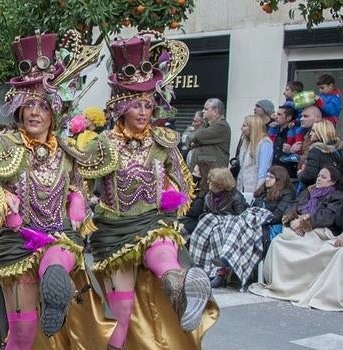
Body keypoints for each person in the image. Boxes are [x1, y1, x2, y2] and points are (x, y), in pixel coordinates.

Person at [0, 31, 114, 349]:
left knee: (59, 257)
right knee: (22, 334)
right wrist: (1, 199)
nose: (35, 111)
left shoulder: (64, 150)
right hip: (17, 246)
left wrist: (78, 198)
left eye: (43, 105)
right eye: (29, 105)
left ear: (54, 112)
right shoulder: (4, 145)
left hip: (57, 237)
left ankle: (55, 286)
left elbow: (77, 180)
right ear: (18, 110)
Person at [78, 32, 217, 350]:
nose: (142, 111)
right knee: (121, 314)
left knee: (165, 259)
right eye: (135, 104)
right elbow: (80, 185)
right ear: (121, 105)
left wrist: (173, 199)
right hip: (113, 234)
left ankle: (182, 289)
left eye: (147, 104)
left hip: (152, 225)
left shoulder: (163, 141)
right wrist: (80, 210)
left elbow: (183, 184)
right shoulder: (104, 144)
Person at [251, 167, 343, 311]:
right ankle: (288, 286)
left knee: (340, 254)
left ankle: (330, 297)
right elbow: (341, 222)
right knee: (284, 241)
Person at [188, 168, 266, 288]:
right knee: (203, 230)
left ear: (219, 184)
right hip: (214, 225)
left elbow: (242, 217)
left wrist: (222, 221)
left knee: (216, 233)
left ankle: (220, 274)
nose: (208, 182)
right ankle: (200, 269)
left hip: (233, 229)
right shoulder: (209, 196)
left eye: (211, 181)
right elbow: (205, 213)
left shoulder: (235, 196)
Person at [251, 166, 297, 248]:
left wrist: (258, 220)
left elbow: (278, 215)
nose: (267, 179)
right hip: (257, 221)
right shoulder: (264, 190)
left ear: (280, 179)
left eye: (271, 177)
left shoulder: (287, 193)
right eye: (267, 176)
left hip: (271, 226)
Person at [235, 115, 273, 195]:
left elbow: (263, 169)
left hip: (254, 187)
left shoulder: (264, 143)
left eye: (244, 126)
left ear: (253, 127)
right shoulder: (247, 142)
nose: (241, 128)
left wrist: (258, 190)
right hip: (242, 186)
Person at [298, 120, 342, 188]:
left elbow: (309, 176)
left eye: (313, 131)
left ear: (320, 133)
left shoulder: (316, 150)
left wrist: (300, 173)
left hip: (315, 189)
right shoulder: (338, 149)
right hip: (331, 189)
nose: (310, 134)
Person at [189, 98, 231, 167]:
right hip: (204, 172)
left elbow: (197, 136)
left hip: (214, 173)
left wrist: (196, 140)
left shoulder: (221, 126)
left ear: (215, 111)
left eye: (206, 109)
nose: (203, 111)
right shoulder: (208, 125)